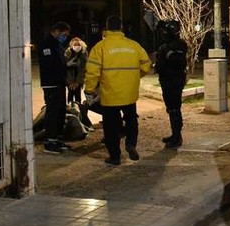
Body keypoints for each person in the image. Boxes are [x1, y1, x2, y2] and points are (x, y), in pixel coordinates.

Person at [84, 15, 152, 166]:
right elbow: (146, 65)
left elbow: (92, 72)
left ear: (106, 28)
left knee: (111, 127)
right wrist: (135, 77)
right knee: (131, 120)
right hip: (129, 94)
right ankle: (131, 144)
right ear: (121, 28)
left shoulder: (100, 47)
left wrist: (89, 90)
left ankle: (115, 156)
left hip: (110, 95)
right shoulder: (134, 45)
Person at [38, 21, 71, 154]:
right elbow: (49, 65)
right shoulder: (47, 45)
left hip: (60, 83)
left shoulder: (58, 45)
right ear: (56, 31)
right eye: (63, 34)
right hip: (51, 84)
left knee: (60, 111)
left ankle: (57, 138)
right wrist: (63, 68)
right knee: (52, 112)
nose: (65, 37)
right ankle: (50, 141)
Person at [154, 20, 188, 148]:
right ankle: (175, 135)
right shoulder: (167, 44)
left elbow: (177, 60)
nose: (163, 34)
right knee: (171, 108)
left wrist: (166, 51)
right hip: (167, 79)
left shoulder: (179, 44)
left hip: (174, 80)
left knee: (174, 109)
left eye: (166, 31)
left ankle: (176, 137)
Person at [64, 36, 93, 127]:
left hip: (79, 80)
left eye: (78, 44)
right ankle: (69, 115)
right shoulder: (67, 53)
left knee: (78, 97)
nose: (77, 46)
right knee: (70, 96)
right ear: (71, 45)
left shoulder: (84, 54)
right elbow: (65, 69)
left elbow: (84, 69)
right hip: (69, 80)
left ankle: (79, 116)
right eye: (75, 44)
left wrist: (77, 82)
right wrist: (70, 82)